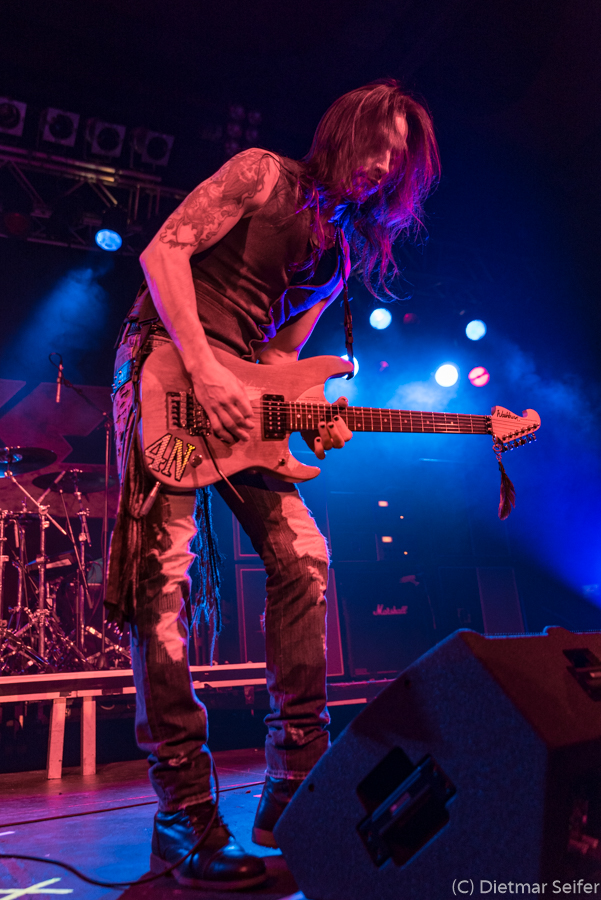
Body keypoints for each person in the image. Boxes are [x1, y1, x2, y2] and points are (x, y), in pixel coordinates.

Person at [107, 78, 439, 891]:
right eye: (377, 143)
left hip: (238, 401)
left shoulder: (340, 253)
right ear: (345, 128)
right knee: (163, 582)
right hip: (166, 372)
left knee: (304, 556)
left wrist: (306, 415)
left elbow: (281, 363)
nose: (383, 164)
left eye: (398, 159)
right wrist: (206, 367)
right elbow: (162, 254)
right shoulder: (263, 174)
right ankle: (183, 817)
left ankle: (294, 782)